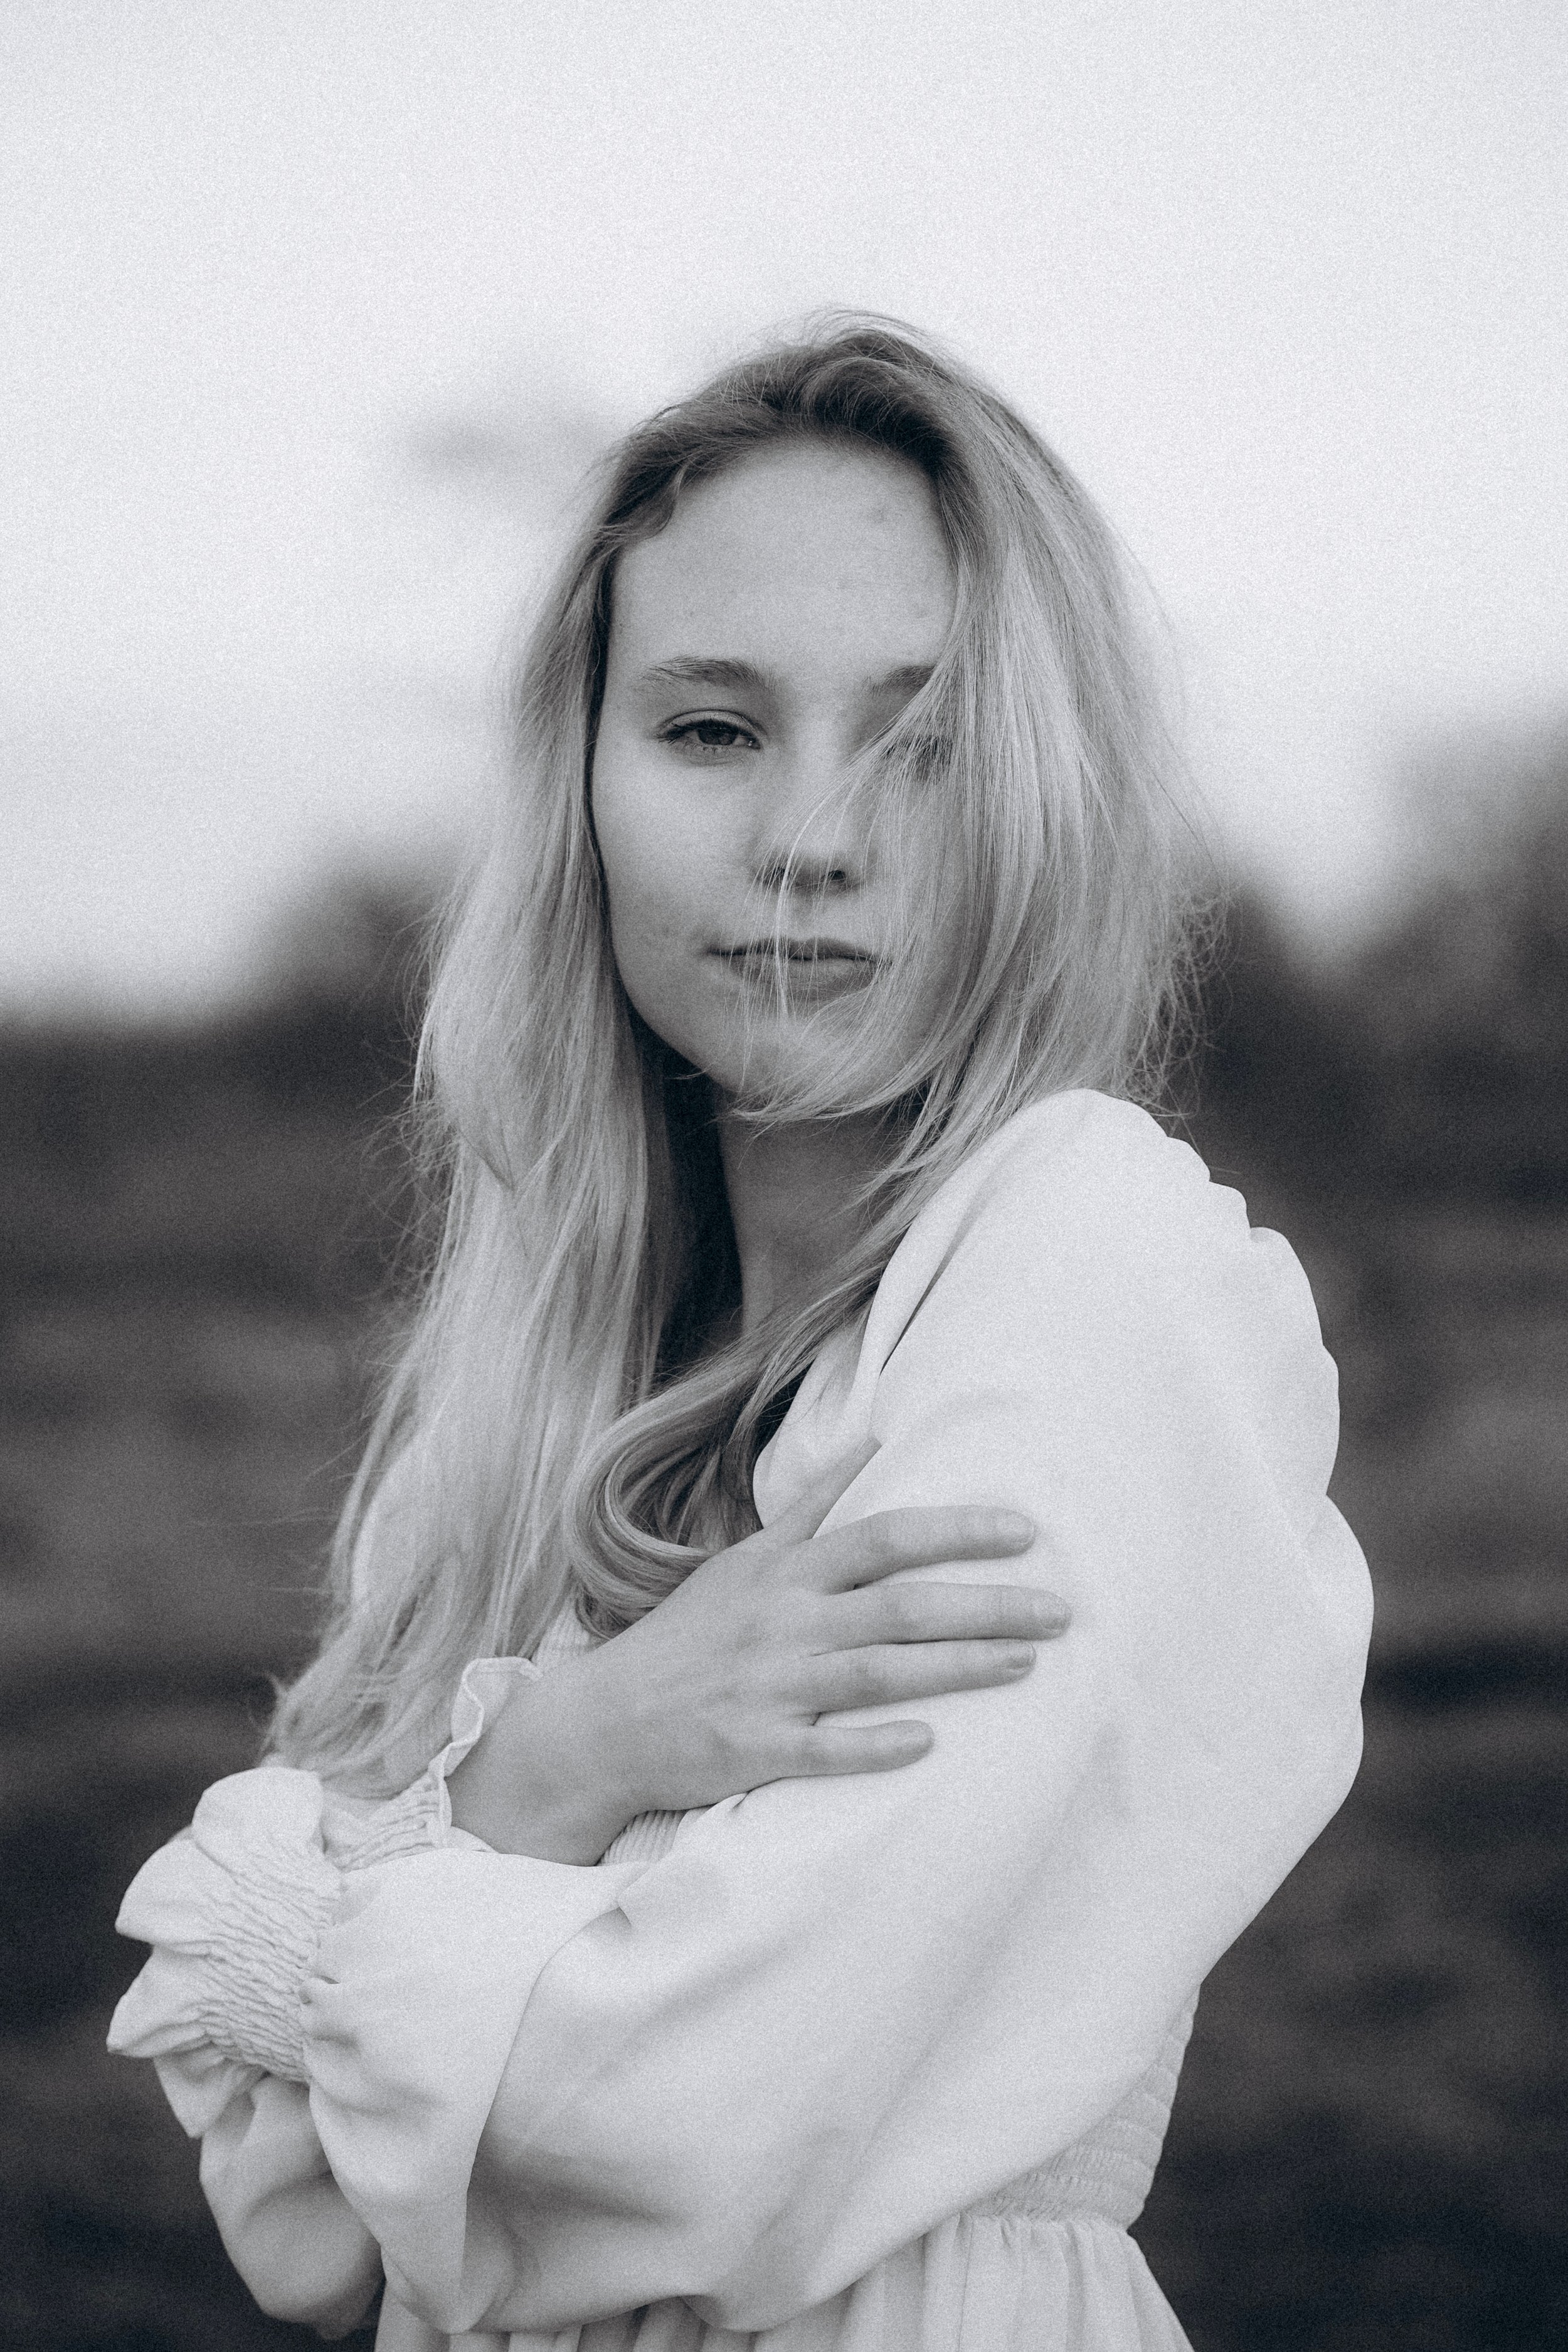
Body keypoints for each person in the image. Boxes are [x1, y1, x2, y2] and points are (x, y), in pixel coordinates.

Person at [107, 316, 1372, 2351]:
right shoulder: (541, 1375)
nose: (811, 837)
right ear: (583, 785)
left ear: (1047, 797)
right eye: (710, 729)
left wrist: (422, 1860)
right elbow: (297, 2212)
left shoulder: (1094, 1263)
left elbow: (680, 2143)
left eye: (925, 742)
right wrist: (560, 1766)